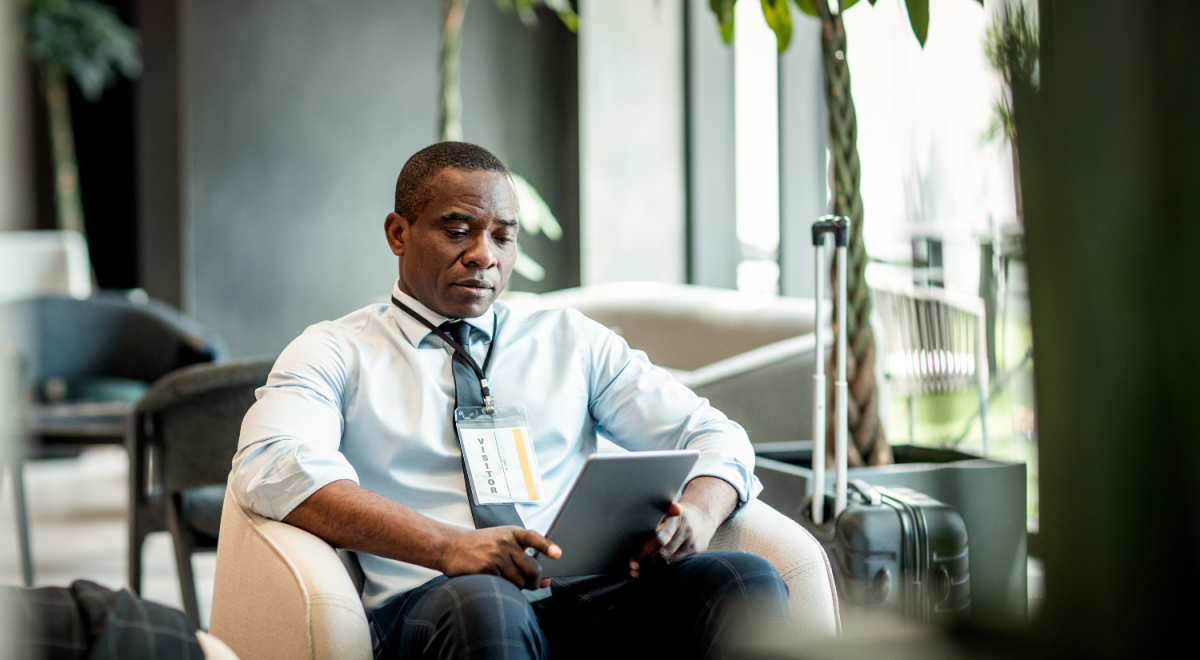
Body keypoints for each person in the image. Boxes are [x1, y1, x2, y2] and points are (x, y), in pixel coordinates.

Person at [230, 142, 791, 660]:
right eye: (458, 231)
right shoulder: (335, 350)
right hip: (438, 601)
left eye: (502, 236)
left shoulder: (570, 339)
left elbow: (714, 435)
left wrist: (698, 512)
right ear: (398, 233)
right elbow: (273, 465)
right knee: (485, 601)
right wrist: (450, 547)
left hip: (587, 593)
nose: (484, 256)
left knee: (743, 579)